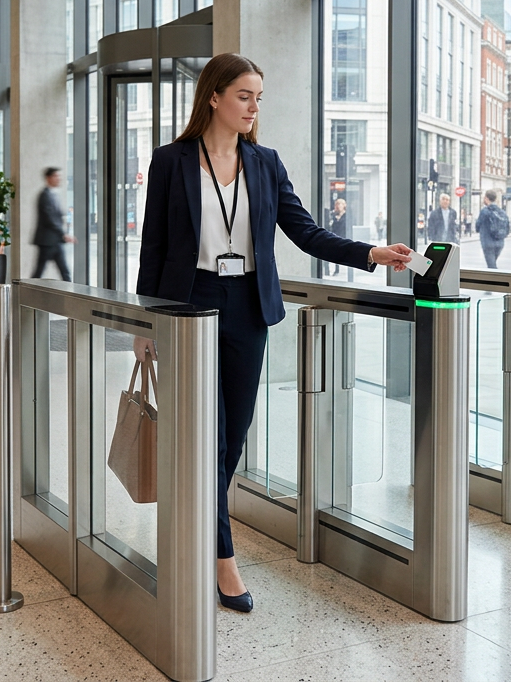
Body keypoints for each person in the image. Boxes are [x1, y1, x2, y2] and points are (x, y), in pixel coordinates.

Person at [131, 53, 411, 614]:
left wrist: (371, 253)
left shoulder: (265, 163)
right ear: (213, 96)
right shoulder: (172, 160)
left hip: (248, 306)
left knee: (232, 436)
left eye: (259, 97)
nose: (254, 107)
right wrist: (146, 321)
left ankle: (199, 532)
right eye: (244, 96)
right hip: (190, 304)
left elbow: (305, 232)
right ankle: (223, 561)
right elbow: (154, 246)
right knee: (204, 437)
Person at [31, 167, 73, 281]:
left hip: (55, 241)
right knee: (39, 272)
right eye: (56, 176)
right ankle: (26, 294)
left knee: (65, 272)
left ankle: (70, 295)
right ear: (48, 178)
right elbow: (49, 218)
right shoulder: (45, 195)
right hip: (47, 241)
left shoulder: (53, 195)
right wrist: (64, 234)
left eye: (59, 176)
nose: (59, 179)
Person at [475, 189, 509, 268]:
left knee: (491, 266)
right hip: (500, 243)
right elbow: (507, 228)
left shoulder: (484, 211)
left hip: (488, 243)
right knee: (492, 264)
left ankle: (495, 280)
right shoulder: (502, 212)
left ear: (486, 198)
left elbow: (477, 226)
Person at [328, 198, 348, 275]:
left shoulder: (346, 216)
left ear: (344, 205)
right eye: (336, 204)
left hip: (344, 237)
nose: (338, 206)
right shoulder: (333, 215)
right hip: (335, 237)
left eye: (340, 204)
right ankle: (336, 269)